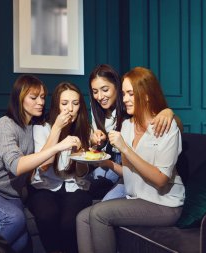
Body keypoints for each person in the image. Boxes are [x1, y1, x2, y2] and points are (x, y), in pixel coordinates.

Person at [0, 75, 80, 253]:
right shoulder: (5, 125)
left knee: (22, 243)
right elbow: (16, 166)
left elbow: (44, 161)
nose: (40, 102)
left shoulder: (31, 128)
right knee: (14, 218)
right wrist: (59, 146)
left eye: (42, 97)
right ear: (19, 98)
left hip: (11, 196)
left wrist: (56, 129)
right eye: (33, 98)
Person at [76, 67, 185, 253]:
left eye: (130, 94)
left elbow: (160, 180)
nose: (124, 98)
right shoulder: (126, 125)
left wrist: (125, 148)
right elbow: (128, 173)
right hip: (136, 197)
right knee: (82, 218)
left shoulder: (166, 126)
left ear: (147, 95)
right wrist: (106, 163)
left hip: (164, 203)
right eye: (124, 93)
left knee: (99, 214)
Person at [87, 64, 183, 200]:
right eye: (95, 91)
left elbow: (174, 125)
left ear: (117, 86)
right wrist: (95, 139)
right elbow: (98, 137)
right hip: (114, 159)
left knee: (101, 200)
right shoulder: (96, 107)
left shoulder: (130, 105)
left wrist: (168, 113)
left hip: (129, 161)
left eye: (105, 89)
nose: (100, 96)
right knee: (87, 186)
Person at [27, 82, 93, 253]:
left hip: (75, 186)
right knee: (47, 216)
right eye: (64, 103)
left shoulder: (85, 129)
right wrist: (56, 128)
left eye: (75, 103)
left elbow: (82, 172)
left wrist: (79, 152)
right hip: (45, 186)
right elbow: (43, 166)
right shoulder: (41, 128)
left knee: (69, 222)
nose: (70, 109)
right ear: (57, 104)